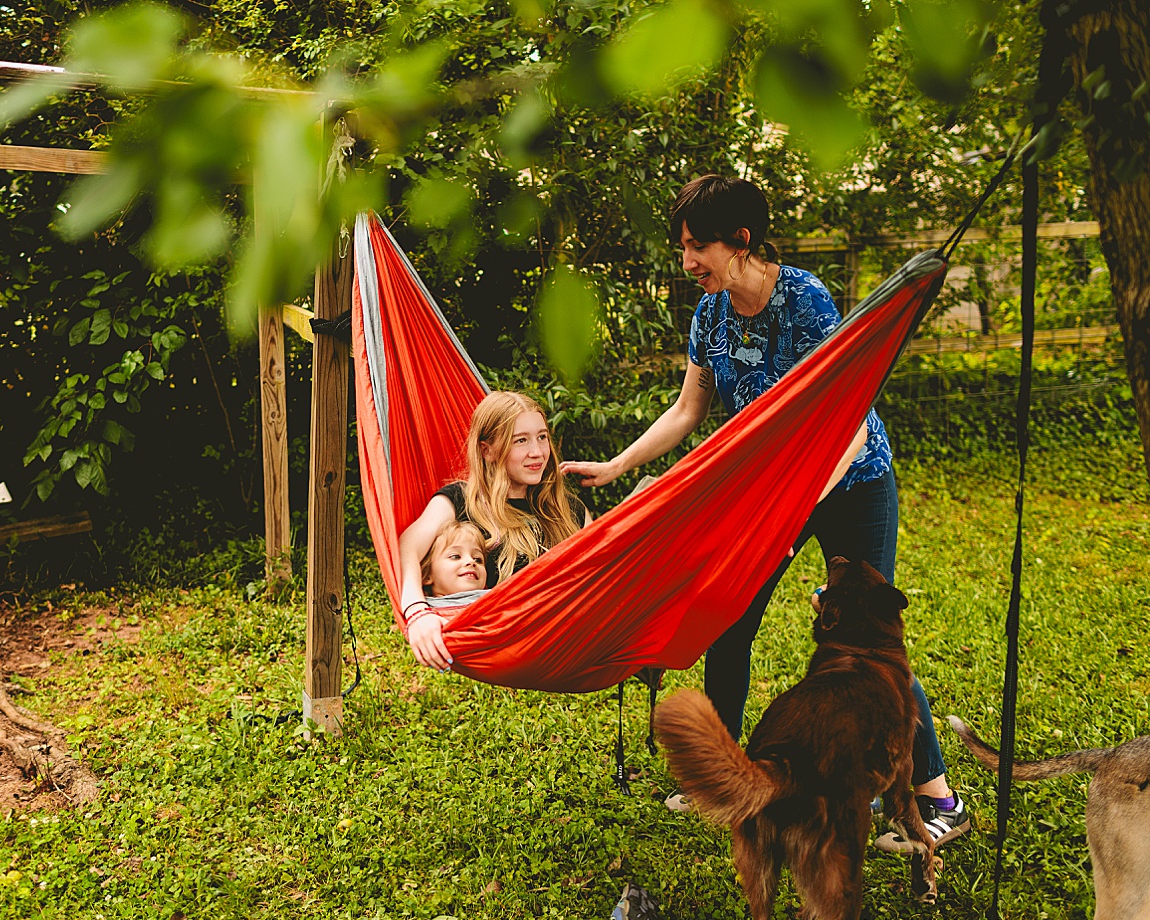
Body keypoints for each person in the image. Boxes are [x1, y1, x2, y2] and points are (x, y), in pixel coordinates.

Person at [560, 174, 969, 852]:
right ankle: (718, 779)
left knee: (867, 644)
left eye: (698, 248)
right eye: (683, 248)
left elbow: (848, 422)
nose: (687, 262)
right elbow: (688, 410)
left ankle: (938, 798)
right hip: (767, 495)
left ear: (741, 241)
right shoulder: (711, 314)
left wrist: (787, 514)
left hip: (851, 479)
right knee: (730, 620)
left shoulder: (804, 300)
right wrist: (618, 466)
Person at [398, 391, 589, 672]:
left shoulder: (568, 510)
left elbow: (605, 571)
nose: (537, 452)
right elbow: (407, 547)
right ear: (487, 450)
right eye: (520, 440)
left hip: (571, 643)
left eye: (542, 437)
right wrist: (416, 612)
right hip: (506, 645)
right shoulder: (461, 501)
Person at [420, 520, 488, 598]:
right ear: (426, 575)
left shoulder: (497, 601)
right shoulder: (422, 608)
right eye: (455, 557)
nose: (471, 561)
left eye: (478, 559)